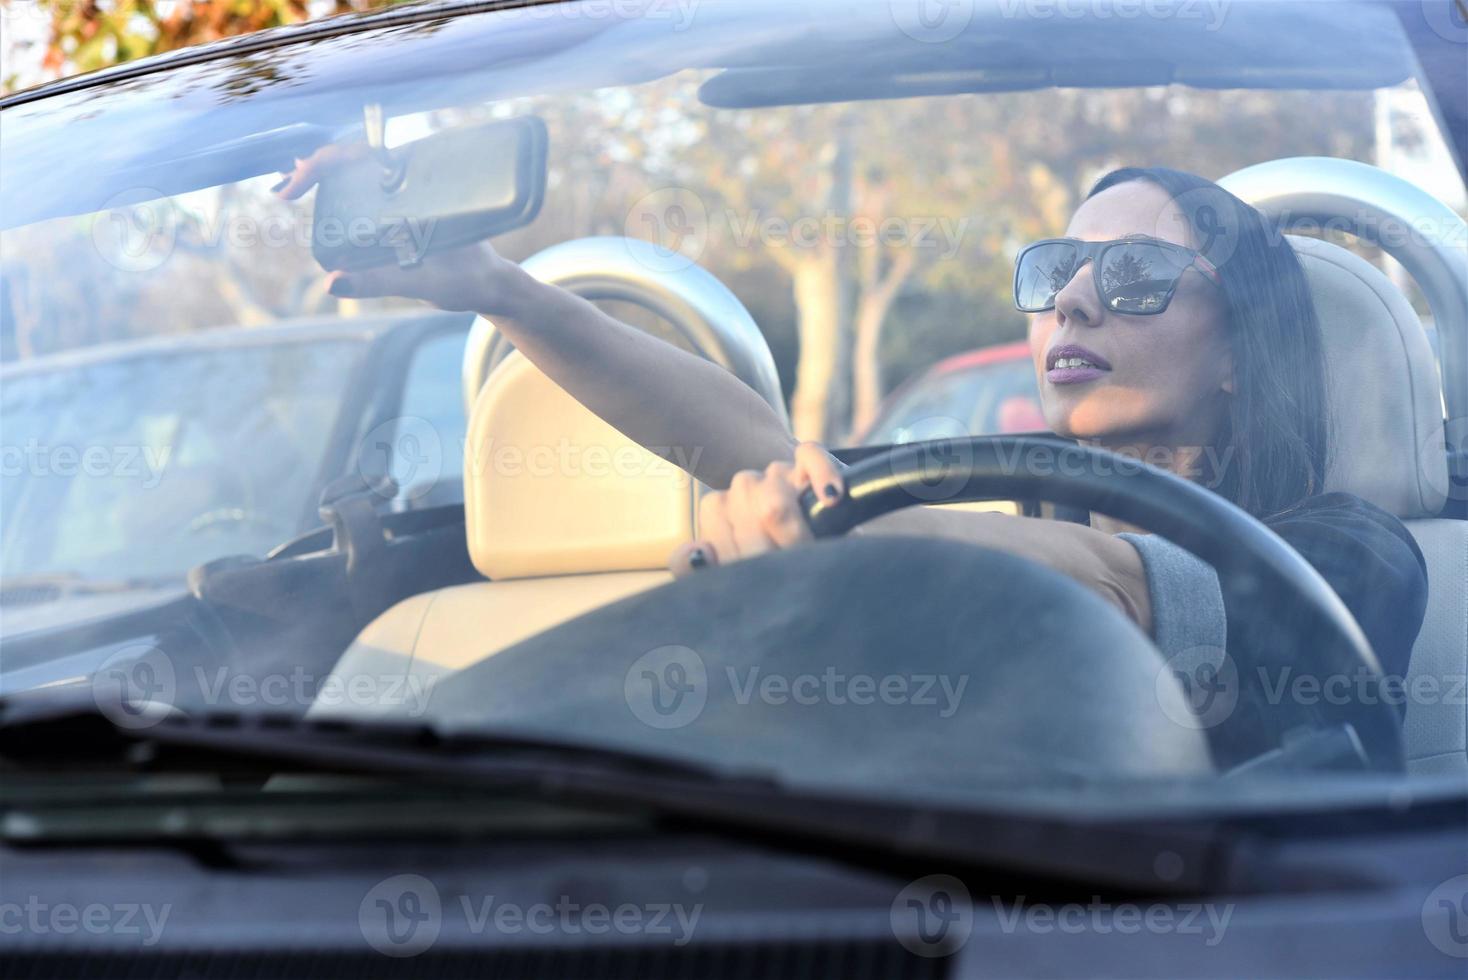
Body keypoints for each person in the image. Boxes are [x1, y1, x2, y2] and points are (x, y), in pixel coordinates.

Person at [281, 162, 1428, 713]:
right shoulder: (997, 512)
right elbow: (754, 451)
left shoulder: (1352, 552)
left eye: (1130, 276)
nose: (1071, 303)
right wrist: (505, 291)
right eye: (1052, 272)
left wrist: (843, 538)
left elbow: (1133, 583)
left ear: (1238, 347)